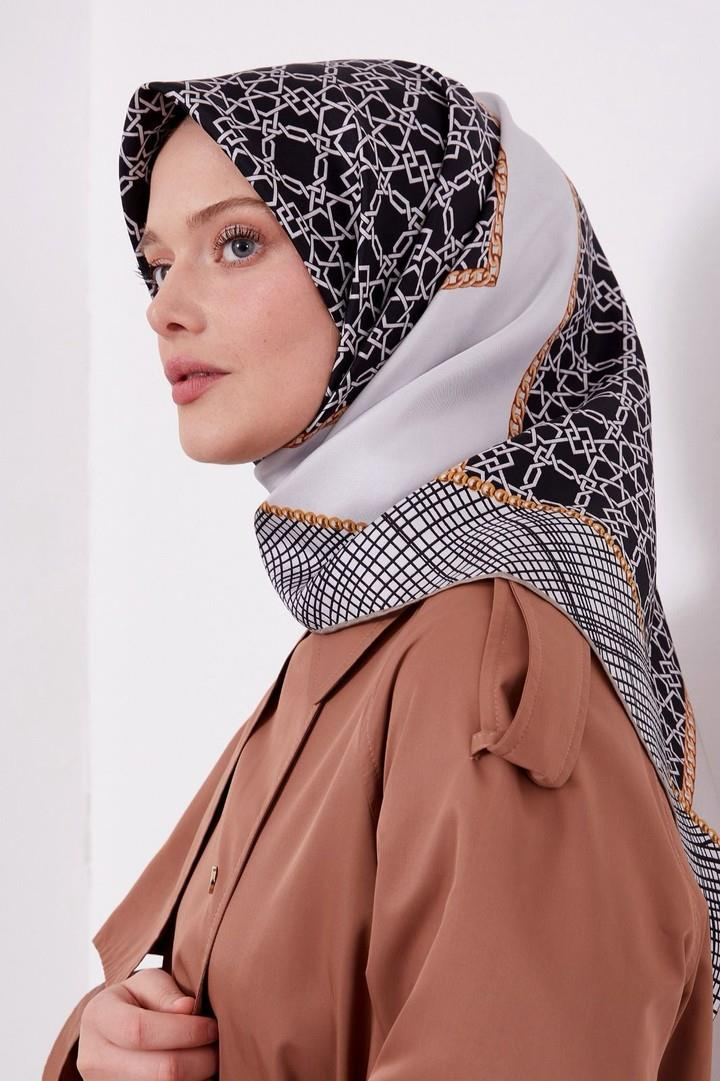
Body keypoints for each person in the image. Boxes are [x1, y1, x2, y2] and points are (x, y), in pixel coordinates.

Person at [43, 59, 717, 1080]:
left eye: (237, 241)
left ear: (408, 267)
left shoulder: (488, 652)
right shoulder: (366, 621)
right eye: (159, 261)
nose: (163, 306)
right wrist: (109, 1043)